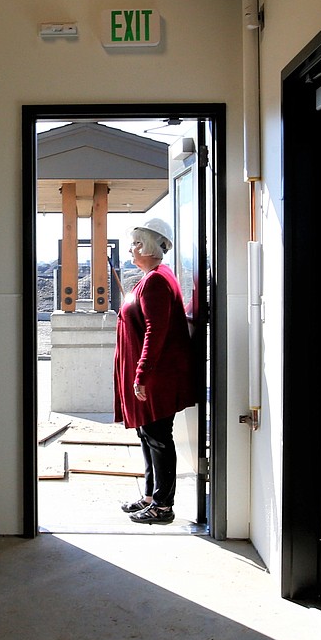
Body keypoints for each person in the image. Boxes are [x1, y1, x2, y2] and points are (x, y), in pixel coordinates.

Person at [113, 218, 194, 525]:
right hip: (154, 376)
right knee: (149, 435)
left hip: (157, 378)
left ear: (148, 245)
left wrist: (142, 373)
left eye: (136, 243)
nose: (131, 249)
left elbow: (155, 330)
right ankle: (151, 496)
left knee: (158, 437)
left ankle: (163, 506)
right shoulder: (153, 277)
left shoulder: (157, 280)